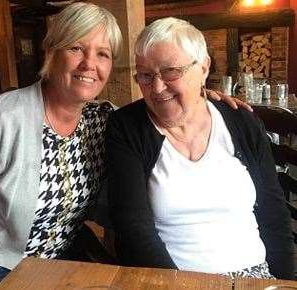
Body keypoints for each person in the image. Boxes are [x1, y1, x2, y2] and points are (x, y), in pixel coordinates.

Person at [0, 3, 250, 290]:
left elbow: (157, 110)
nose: (90, 63)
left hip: (62, 266)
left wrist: (202, 99)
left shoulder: (103, 120)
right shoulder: (0, 118)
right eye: (76, 48)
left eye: (103, 54)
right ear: (50, 51)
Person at [106, 17, 294, 280]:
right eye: (146, 76)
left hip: (254, 277)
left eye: (171, 71)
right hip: (170, 280)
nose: (157, 89)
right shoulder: (126, 127)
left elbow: (273, 212)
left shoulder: (241, 121)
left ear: (203, 68)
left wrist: (287, 282)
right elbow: (133, 227)